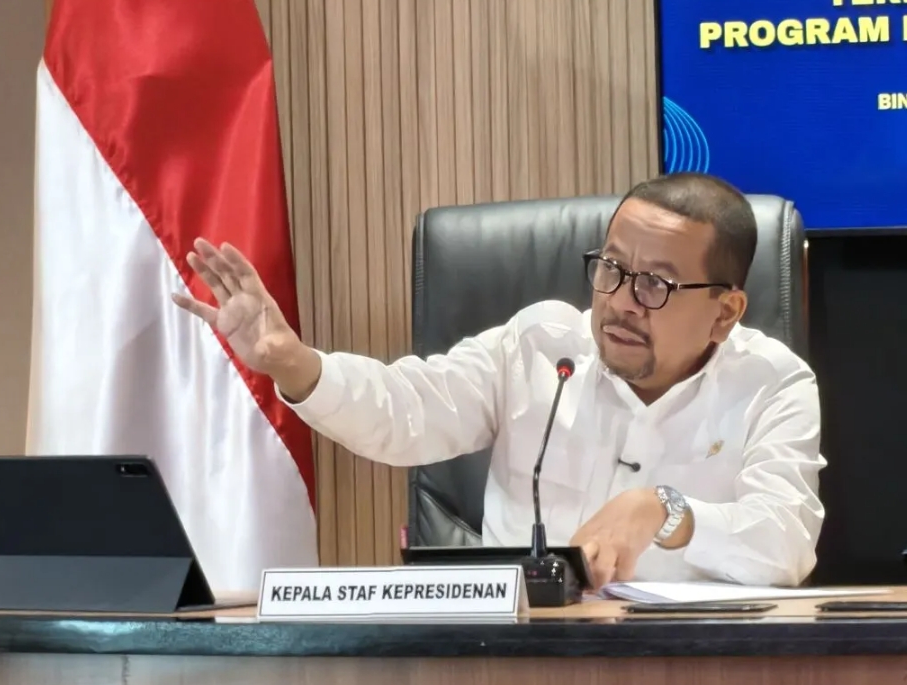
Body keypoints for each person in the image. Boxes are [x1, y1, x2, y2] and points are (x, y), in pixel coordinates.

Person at [172, 172, 824, 589]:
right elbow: (405, 409)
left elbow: (787, 541)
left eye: (655, 283)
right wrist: (292, 361)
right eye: (612, 269)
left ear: (724, 313)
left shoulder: (773, 383)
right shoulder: (539, 346)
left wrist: (666, 510)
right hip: (519, 659)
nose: (622, 302)